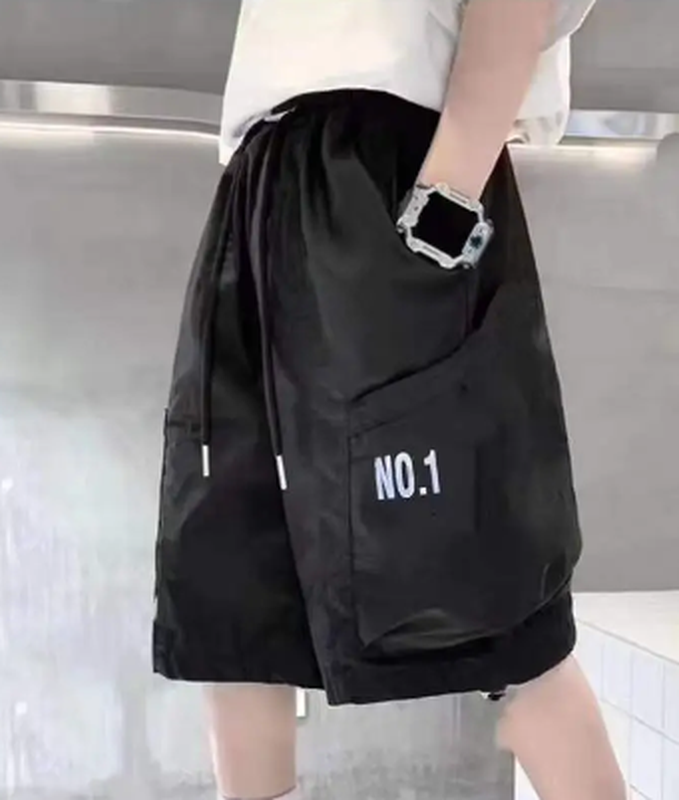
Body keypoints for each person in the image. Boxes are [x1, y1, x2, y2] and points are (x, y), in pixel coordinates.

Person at [152, 2, 627, 799]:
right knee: (230, 579)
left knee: (489, 597)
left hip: (387, 168)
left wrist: (447, 197)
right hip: (261, 182)